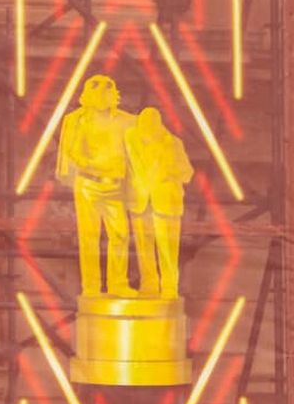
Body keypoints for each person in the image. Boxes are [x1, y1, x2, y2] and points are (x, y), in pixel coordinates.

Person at [55, 75, 136, 298]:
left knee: (120, 235)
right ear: (89, 95)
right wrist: (89, 163)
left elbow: (141, 149)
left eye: (107, 91)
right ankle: (91, 287)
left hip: (114, 185)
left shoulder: (127, 121)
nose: (103, 95)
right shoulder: (76, 120)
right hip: (87, 184)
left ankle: (118, 284)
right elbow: (70, 151)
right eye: (97, 91)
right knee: (89, 237)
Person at [125, 108, 194, 299]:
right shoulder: (131, 140)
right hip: (139, 201)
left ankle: (169, 286)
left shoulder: (172, 143)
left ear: (158, 125)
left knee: (167, 246)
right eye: (143, 125)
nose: (145, 130)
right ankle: (149, 284)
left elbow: (187, 172)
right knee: (143, 246)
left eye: (150, 125)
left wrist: (168, 172)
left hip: (165, 201)